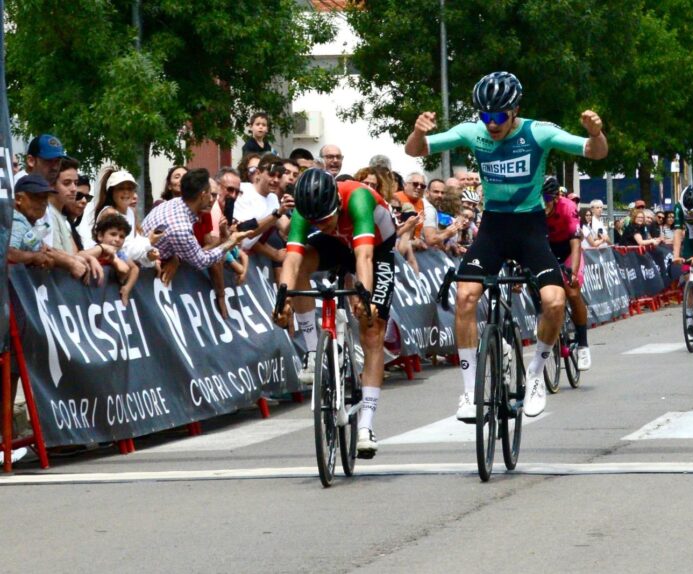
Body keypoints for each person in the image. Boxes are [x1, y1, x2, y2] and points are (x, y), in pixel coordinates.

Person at [404, 70, 607, 419]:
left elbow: (595, 152)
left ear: (515, 111)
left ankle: (536, 374)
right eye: (485, 116)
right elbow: (415, 150)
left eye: (499, 116)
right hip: (494, 228)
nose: (492, 124)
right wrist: (419, 132)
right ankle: (469, 391)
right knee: (465, 297)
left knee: (554, 302)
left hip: (530, 228)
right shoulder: (474, 131)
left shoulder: (538, 132)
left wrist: (596, 133)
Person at [273, 169, 397, 457]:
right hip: (339, 245)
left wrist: (364, 297)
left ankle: (365, 425)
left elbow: (364, 257)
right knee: (301, 267)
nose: (321, 225)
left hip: (376, 247)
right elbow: (291, 260)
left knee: (372, 330)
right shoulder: (306, 211)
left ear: (338, 204)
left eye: (325, 219)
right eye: (315, 222)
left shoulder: (359, 199)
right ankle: (313, 351)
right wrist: (283, 301)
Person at [141, 168, 250, 282]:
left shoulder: (176, 203)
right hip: (145, 275)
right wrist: (231, 241)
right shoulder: (181, 228)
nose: (212, 199)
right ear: (203, 195)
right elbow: (202, 261)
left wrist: (176, 258)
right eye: (211, 194)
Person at [543, 176, 592, 370]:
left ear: (556, 198)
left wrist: (573, 272)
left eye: (547, 199)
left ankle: (583, 345)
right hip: (546, 249)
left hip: (568, 250)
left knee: (572, 292)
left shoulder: (568, 207)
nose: (543, 203)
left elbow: (576, 243)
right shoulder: (534, 208)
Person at [93, 214, 139, 306]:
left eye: (122, 236)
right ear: (100, 236)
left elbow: (134, 268)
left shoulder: (120, 253)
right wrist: (115, 261)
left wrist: (126, 288)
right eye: (113, 234)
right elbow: (124, 269)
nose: (117, 239)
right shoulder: (96, 251)